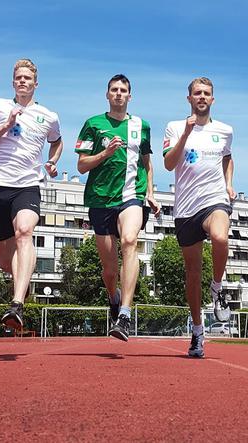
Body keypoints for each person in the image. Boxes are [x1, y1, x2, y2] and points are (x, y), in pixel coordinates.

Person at [0, 59, 63, 330]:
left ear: (36, 83)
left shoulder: (49, 116)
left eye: (27, 78)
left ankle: (17, 305)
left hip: (28, 185)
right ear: (13, 81)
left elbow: (57, 141)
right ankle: (20, 283)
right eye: (18, 77)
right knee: (4, 262)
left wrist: (52, 161)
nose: (23, 81)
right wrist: (4, 125)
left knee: (25, 231)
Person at [75, 74, 160, 342]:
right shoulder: (93, 124)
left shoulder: (141, 126)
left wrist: (151, 193)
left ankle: (124, 313)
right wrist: (105, 154)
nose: (119, 94)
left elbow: (147, 163)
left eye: (124, 90)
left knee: (130, 240)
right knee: (110, 271)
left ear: (130, 96)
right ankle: (114, 297)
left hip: (131, 196)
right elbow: (82, 165)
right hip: (100, 200)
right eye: (114, 90)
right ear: (107, 94)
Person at [163, 77, 235, 358]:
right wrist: (185, 134)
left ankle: (217, 287)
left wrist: (229, 184)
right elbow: (169, 164)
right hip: (185, 208)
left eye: (206, 94)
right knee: (192, 275)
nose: (201, 97)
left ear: (213, 99)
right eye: (197, 93)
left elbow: (227, 157)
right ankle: (197, 331)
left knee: (220, 235)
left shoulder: (225, 130)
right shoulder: (174, 126)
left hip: (214, 200)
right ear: (189, 98)